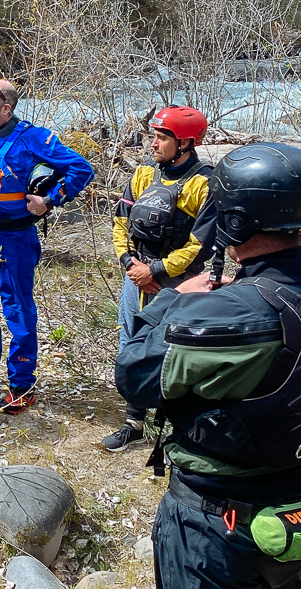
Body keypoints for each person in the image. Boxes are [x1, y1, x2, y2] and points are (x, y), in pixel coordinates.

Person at [116, 142, 301, 589]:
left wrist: (171, 299)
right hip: (294, 506)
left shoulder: (225, 314)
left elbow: (135, 374)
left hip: (213, 521)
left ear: (233, 220)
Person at [0, 79, 93, 414]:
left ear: (6, 109)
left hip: (16, 240)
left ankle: (22, 386)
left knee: (18, 312)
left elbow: (81, 169)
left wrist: (50, 201)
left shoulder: (33, 139)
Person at [103, 106, 214, 451]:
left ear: (186, 143)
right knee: (131, 341)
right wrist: (130, 265)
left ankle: (175, 426)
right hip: (135, 276)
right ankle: (133, 420)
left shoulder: (204, 183)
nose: (153, 143)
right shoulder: (141, 175)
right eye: (154, 135)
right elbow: (121, 222)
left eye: (162, 137)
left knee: (177, 347)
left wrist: (157, 271)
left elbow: (201, 245)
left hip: (179, 282)